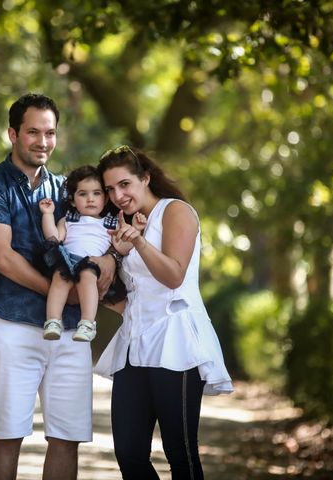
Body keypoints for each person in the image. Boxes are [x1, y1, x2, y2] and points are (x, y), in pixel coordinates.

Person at [0, 93, 117, 480]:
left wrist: (106, 262)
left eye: (50, 133)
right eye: (33, 132)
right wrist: (60, 290)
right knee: (9, 435)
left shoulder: (67, 189)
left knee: (67, 437)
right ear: (13, 134)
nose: (43, 142)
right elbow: (3, 258)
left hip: (70, 333)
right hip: (13, 324)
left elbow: (96, 236)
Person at [94, 145, 234, 480]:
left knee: (180, 454)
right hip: (133, 344)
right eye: (110, 189)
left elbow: (173, 275)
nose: (117, 195)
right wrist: (103, 272)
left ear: (145, 178)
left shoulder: (176, 212)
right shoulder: (118, 224)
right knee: (129, 453)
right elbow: (118, 290)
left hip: (176, 344)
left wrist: (140, 243)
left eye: (124, 184)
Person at [38, 165, 147, 342]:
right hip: (68, 260)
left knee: (86, 276)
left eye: (96, 193)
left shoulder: (110, 223)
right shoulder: (68, 220)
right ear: (73, 200)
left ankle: (87, 323)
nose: (90, 199)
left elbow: (122, 248)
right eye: (83, 194)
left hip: (92, 263)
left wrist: (136, 229)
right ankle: (53, 321)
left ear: (105, 199)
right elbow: (54, 238)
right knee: (59, 277)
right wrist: (48, 214)